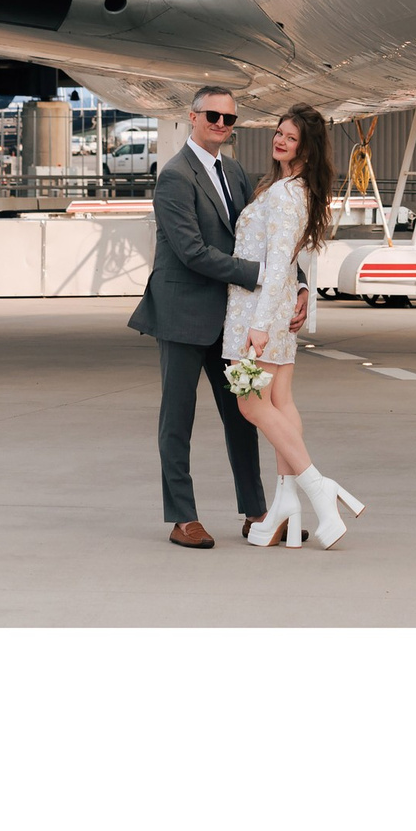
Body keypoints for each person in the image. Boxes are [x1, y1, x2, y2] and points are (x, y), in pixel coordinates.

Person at [129, 84, 307, 547]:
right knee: (178, 416)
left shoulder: (234, 170)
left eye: (229, 119)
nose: (221, 125)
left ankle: (256, 512)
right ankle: (182, 517)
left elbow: (266, 234)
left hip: (231, 317)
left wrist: (298, 282)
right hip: (183, 312)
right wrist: (261, 275)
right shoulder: (174, 175)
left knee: (242, 414)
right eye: (213, 116)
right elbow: (191, 251)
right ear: (192, 117)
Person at [224, 104, 364, 550]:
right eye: (279, 133)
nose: (280, 140)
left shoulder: (286, 194)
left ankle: (319, 489)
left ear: (307, 147)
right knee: (280, 401)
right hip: (278, 309)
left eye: (291, 137)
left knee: (250, 405)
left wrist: (260, 326)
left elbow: (281, 262)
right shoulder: (289, 187)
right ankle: (286, 502)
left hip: (258, 310)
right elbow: (299, 263)